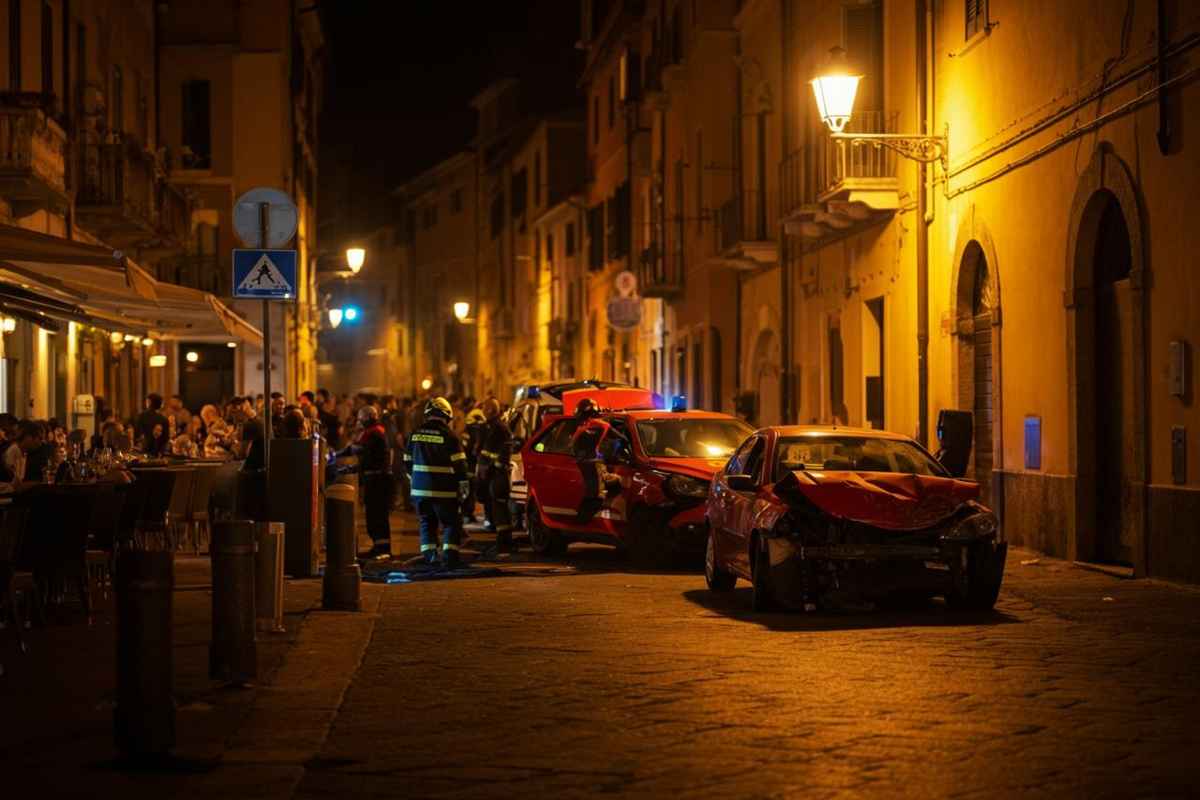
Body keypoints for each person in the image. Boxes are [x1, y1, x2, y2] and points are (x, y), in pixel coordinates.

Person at [405, 397, 468, 569]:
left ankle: (430, 557)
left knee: (426, 522)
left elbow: (407, 461)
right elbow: (460, 466)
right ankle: (449, 557)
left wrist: (417, 480)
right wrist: (464, 486)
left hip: (419, 491)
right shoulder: (450, 437)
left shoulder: (414, 434)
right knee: (450, 523)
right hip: (444, 491)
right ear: (447, 416)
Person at [336, 406, 394, 559]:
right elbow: (357, 449)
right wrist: (339, 454)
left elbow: (367, 458)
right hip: (376, 479)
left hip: (377, 480)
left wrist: (349, 469)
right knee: (376, 515)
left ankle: (382, 549)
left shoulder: (374, 434)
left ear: (367, 418)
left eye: (360, 419)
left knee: (376, 515)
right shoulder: (373, 432)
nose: (359, 422)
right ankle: (380, 547)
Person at [570, 398, 625, 523]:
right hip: (596, 465)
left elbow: (571, 446)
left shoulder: (580, 428)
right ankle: (583, 522)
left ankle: (580, 522)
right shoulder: (603, 425)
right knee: (600, 494)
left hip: (581, 466)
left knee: (593, 493)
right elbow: (622, 440)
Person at [478, 397, 515, 551]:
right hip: (495, 474)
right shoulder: (494, 427)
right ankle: (504, 542)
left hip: (498, 474)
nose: (483, 412)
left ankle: (504, 543)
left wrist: (490, 467)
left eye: (485, 409)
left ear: (491, 410)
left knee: (500, 509)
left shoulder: (498, 428)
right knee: (498, 508)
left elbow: (500, 453)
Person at [0, 420, 45, 493]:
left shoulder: (23, 452)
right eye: (39, 438)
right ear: (28, 437)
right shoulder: (14, 450)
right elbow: (16, 486)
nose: (40, 443)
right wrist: (38, 484)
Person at [461, 407, 486, 523]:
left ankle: (466, 513)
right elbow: (470, 449)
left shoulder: (467, 431)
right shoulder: (476, 431)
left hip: (467, 467)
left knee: (467, 491)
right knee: (467, 491)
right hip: (469, 466)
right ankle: (466, 513)